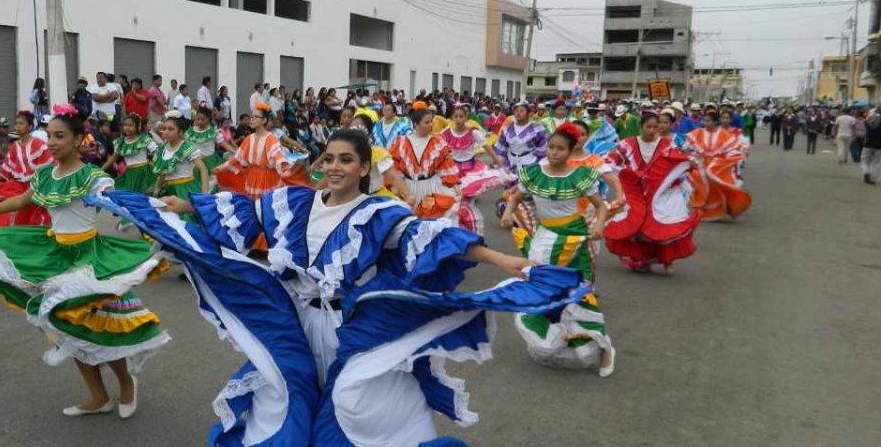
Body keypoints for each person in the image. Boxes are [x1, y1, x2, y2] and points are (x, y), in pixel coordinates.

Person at [93, 128, 587, 445]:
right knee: (284, 396)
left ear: (364, 167)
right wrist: (185, 206)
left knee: (356, 403)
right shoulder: (294, 202)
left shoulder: (380, 211)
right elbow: (243, 210)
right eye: (328, 158)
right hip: (297, 324)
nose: (334, 166)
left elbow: (433, 238)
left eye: (346, 160)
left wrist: (504, 259)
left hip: (349, 328)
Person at [0, 106, 169, 418]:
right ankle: (98, 396)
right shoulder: (45, 174)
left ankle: (126, 384)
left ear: (78, 140)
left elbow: (120, 203)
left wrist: (160, 217)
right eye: (49, 137)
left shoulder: (93, 177)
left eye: (60, 136)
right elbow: (22, 200)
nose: (52, 143)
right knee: (67, 328)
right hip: (55, 255)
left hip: (90, 260)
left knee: (100, 327)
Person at [501, 123, 615, 377]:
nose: (554, 152)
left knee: (579, 292)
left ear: (570, 151)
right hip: (545, 238)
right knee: (542, 287)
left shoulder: (579, 176)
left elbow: (601, 206)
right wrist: (508, 213)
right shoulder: (534, 173)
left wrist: (598, 226)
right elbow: (516, 198)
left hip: (574, 239)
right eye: (551, 147)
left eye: (560, 149)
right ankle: (557, 334)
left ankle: (605, 347)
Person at [605, 112, 703, 274]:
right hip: (637, 192)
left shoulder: (667, 144)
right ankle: (642, 259)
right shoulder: (627, 144)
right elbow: (611, 161)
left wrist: (689, 162)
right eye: (648, 127)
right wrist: (619, 172)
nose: (651, 131)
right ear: (640, 127)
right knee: (638, 225)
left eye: (655, 127)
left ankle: (667, 259)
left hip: (661, 193)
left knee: (662, 224)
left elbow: (683, 158)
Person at [388, 104, 460, 219]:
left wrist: (456, 186)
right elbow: (395, 167)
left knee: (433, 220)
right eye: (426, 122)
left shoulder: (438, 142)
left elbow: (446, 166)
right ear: (416, 124)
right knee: (410, 221)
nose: (431, 125)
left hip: (431, 187)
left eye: (431, 121)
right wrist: (396, 186)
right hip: (408, 188)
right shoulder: (401, 142)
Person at [0, 111, 52, 227]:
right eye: (16, 124)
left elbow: (47, 166)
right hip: (18, 185)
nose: (17, 126)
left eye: (21, 123)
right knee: (4, 203)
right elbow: (7, 165)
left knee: (31, 213)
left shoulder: (38, 144)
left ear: (30, 126)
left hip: (34, 186)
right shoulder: (14, 145)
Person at [685, 108, 752, 222]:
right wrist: (691, 156)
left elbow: (733, 149)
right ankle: (702, 210)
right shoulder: (698, 132)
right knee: (699, 182)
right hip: (701, 164)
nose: (705, 123)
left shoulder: (724, 134)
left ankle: (718, 210)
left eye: (708, 121)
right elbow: (687, 146)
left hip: (717, 166)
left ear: (715, 122)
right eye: (704, 120)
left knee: (716, 186)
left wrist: (722, 160)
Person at [441, 104, 497, 232]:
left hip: (470, 169)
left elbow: (488, 148)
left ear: (466, 118)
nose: (458, 119)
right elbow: (438, 149)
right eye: (456, 116)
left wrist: (497, 162)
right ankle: (457, 226)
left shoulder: (474, 132)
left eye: (461, 116)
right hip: (453, 169)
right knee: (455, 200)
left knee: (467, 200)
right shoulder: (446, 133)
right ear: (451, 118)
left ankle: (471, 226)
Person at [149, 112, 210, 220]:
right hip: (169, 190)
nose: (166, 132)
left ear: (180, 132)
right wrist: (157, 189)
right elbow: (163, 173)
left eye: (171, 129)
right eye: (164, 129)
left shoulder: (186, 147)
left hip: (186, 189)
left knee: (187, 220)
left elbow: (203, 169)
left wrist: (204, 194)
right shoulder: (162, 149)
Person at [103, 115, 157, 195]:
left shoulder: (143, 139)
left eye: (131, 125)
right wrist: (101, 169)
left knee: (143, 195)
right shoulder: (121, 142)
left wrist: (155, 165)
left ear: (137, 127)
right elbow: (114, 157)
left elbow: (156, 152)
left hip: (144, 173)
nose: (127, 128)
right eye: (125, 125)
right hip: (130, 174)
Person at [491, 100, 548, 172]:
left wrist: (539, 163)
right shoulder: (507, 128)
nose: (518, 113)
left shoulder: (537, 128)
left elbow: (543, 147)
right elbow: (501, 146)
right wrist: (497, 160)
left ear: (528, 113)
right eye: (516, 111)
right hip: (510, 162)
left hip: (529, 162)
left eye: (522, 111)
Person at [186, 106, 234, 175]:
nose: (200, 121)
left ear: (208, 119)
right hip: (194, 162)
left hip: (209, 161)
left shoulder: (213, 131)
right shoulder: (191, 131)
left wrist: (235, 152)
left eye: (203, 119)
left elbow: (223, 143)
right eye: (198, 119)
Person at [861, 108, 881, 184]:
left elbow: (863, 132)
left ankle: (866, 172)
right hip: (879, 145)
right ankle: (873, 178)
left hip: (868, 144)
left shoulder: (867, 122)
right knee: (876, 162)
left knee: (864, 160)